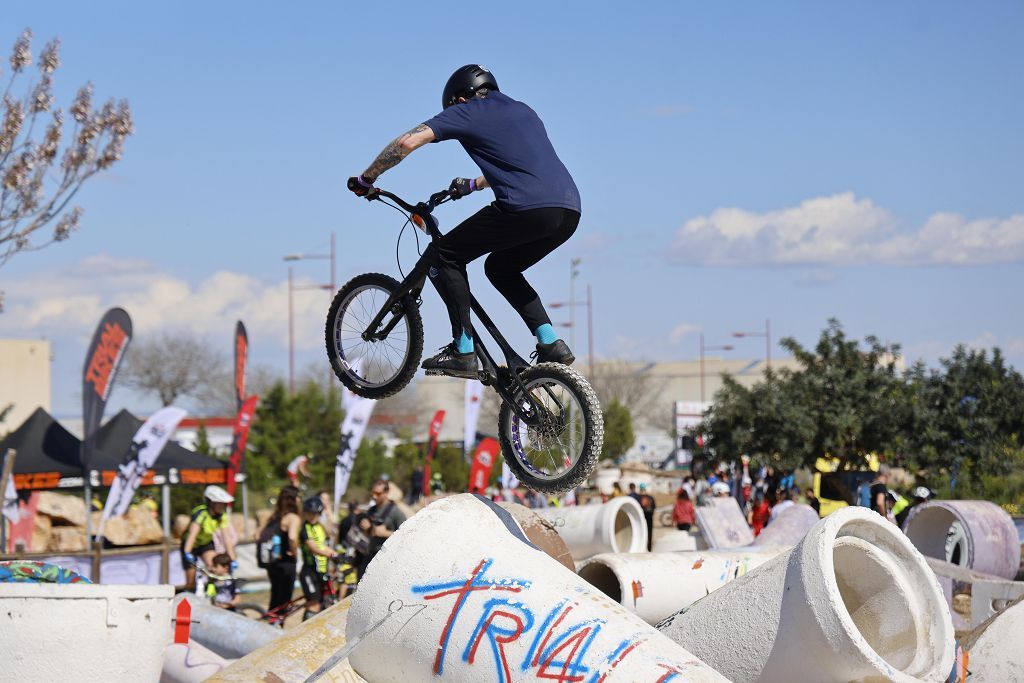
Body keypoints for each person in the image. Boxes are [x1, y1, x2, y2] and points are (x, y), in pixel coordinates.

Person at [347, 64, 581, 377]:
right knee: (501, 268)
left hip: (525, 207)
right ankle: (550, 342)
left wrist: (367, 178)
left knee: (445, 255)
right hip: (567, 210)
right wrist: (471, 185)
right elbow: (518, 164)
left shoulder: (468, 110)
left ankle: (463, 349)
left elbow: (406, 143)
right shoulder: (524, 111)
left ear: (460, 98)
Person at [182, 485, 237, 592]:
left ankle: (213, 592)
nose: (223, 506)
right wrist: (187, 552)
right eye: (220, 503)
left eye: (224, 504)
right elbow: (192, 535)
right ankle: (189, 595)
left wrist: (233, 559)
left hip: (205, 543)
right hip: (190, 545)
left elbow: (227, 539)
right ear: (211, 503)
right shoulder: (201, 513)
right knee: (191, 579)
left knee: (215, 567)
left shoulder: (222, 516)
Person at [261, 485, 301, 619]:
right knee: (284, 602)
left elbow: (257, 534)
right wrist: (294, 551)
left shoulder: (274, 516)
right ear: (293, 499)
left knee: (275, 597)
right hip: (286, 562)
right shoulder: (293, 517)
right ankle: (276, 629)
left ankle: (269, 624)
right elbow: (292, 537)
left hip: (272, 563)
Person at [356, 480, 406, 577]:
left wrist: (386, 533)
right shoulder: (371, 510)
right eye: (373, 493)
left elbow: (406, 535)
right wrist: (367, 528)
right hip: (371, 555)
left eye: (378, 494)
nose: (374, 496)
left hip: (388, 559)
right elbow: (370, 533)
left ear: (386, 493)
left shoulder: (396, 512)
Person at [299, 496, 338, 621]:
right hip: (309, 571)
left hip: (321, 571)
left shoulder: (320, 528)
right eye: (309, 513)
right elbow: (313, 548)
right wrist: (330, 555)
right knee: (314, 604)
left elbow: (323, 547)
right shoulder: (304, 529)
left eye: (314, 514)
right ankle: (304, 634)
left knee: (320, 604)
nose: (312, 516)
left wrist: (337, 554)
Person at [636, 484, 657, 551]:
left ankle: (642, 547)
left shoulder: (637, 498)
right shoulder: (650, 497)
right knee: (649, 533)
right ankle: (649, 548)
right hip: (649, 517)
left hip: (641, 518)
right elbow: (654, 507)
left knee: (640, 532)